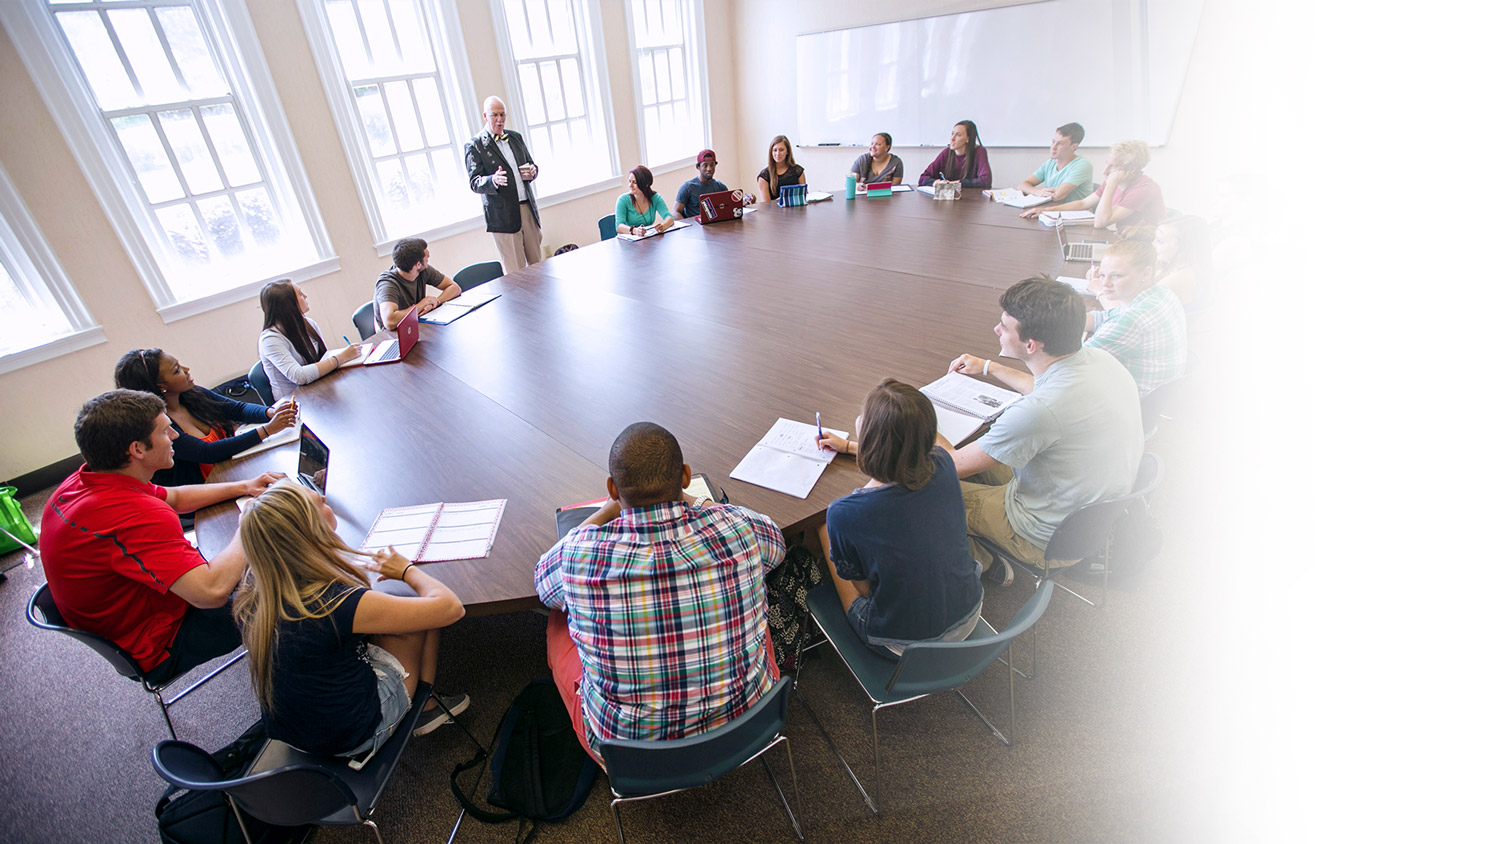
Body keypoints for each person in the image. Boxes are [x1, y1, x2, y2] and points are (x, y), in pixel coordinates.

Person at [535, 422, 786, 760]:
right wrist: (697, 502)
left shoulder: (579, 553)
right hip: (749, 722)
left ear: (612, 487)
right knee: (753, 599)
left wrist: (610, 508)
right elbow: (776, 546)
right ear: (685, 476)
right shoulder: (739, 529)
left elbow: (543, 582)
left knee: (557, 618)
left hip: (630, 755)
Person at [39, 389, 282, 681]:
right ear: (137, 449)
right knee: (287, 579)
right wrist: (250, 521)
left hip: (120, 618)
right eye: (166, 431)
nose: (175, 436)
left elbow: (175, 498)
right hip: (158, 645)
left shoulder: (83, 482)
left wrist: (244, 487)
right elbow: (212, 592)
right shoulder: (133, 516)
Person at [234, 481, 468, 755]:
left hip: (294, 732)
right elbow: (451, 608)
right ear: (311, 532)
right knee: (418, 615)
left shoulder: (254, 591)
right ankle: (425, 707)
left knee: (381, 621)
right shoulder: (334, 603)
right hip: (351, 734)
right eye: (319, 503)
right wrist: (407, 570)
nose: (323, 496)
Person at [942, 278, 1143, 581]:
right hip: (1085, 518)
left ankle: (982, 561)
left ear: (1031, 345)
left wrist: (923, 418)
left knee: (924, 492)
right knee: (985, 455)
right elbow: (1046, 390)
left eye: (1004, 327)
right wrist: (989, 367)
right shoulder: (1101, 361)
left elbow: (949, 466)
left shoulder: (1039, 412)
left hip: (1041, 535)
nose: (997, 330)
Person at [811, 379, 983, 658]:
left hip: (905, 646)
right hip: (970, 612)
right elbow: (910, 450)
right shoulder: (943, 463)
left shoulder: (844, 512)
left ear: (869, 435)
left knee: (821, 527)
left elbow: (866, 590)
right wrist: (850, 447)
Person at [114, 348, 297, 488]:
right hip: (209, 492)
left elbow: (237, 409)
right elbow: (207, 452)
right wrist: (268, 429)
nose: (186, 369)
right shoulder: (159, 425)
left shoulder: (192, 394)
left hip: (237, 469)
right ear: (161, 386)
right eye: (177, 370)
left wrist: (269, 413)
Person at [1079, 240, 1187, 395]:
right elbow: (1106, 317)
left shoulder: (1131, 320)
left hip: (1129, 403)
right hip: (1159, 400)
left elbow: (1070, 367)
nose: (1105, 283)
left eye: (1116, 276)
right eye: (1102, 275)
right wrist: (1060, 322)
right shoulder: (1162, 293)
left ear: (1146, 274)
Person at [465, 96, 542, 276]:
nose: (499, 119)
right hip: (503, 216)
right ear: (485, 116)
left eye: (502, 115)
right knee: (517, 273)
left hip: (527, 208)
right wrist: (493, 180)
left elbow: (531, 164)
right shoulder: (475, 145)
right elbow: (475, 182)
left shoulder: (515, 137)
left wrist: (532, 170)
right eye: (494, 115)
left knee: (538, 266)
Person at [1021, 139, 1164, 229]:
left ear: (1130, 170)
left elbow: (1101, 222)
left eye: (1113, 166)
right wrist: (1046, 211)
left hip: (1141, 247)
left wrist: (1110, 185)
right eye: (1107, 163)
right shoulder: (1114, 181)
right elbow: (1083, 203)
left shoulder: (1144, 189)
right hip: (1123, 239)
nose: (1105, 171)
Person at [257, 279, 362, 401]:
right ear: (288, 304)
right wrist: (342, 357)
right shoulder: (270, 340)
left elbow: (322, 360)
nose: (305, 296)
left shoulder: (308, 324)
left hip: (318, 390)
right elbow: (299, 376)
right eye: (300, 294)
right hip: (293, 404)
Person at [374, 237, 460, 331]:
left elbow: (454, 287)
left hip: (416, 324)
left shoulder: (423, 270)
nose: (429, 257)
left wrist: (434, 303)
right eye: (426, 256)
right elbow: (389, 321)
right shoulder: (388, 284)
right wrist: (421, 305)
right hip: (394, 334)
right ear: (418, 264)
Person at [1017, 122, 1093, 205]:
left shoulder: (1083, 165)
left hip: (1073, 215)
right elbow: (1022, 186)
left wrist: (1032, 190)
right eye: (1053, 142)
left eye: (1060, 144)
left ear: (1073, 146)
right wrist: (1037, 192)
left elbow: (1057, 196)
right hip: (1052, 211)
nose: (1053, 147)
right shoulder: (1050, 163)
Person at [1152, 215, 1213, 307]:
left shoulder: (1177, 280)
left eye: (1160, 241)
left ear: (1183, 248)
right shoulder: (1173, 267)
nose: (1153, 244)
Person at [918, 120, 992, 189]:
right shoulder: (947, 152)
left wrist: (957, 184)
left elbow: (985, 181)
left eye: (958, 135)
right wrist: (935, 183)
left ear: (968, 139)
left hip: (972, 200)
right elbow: (923, 178)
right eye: (952, 134)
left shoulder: (979, 152)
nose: (952, 139)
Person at [615, 166, 673, 237]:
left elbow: (669, 217)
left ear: (646, 184)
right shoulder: (623, 200)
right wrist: (634, 230)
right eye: (629, 181)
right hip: (628, 242)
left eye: (635, 182)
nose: (630, 185)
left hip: (647, 239)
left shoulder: (655, 198)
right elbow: (619, 226)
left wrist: (663, 226)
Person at [674, 149, 729, 219]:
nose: (709, 169)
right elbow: (675, 212)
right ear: (698, 167)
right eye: (705, 165)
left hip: (717, 226)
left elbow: (729, 207)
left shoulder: (721, 187)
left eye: (712, 165)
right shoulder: (687, 187)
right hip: (695, 227)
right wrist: (688, 228)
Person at [756, 135, 806, 203]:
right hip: (775, 213)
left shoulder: (798, 171)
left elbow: (804, 197)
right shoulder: (764, 176)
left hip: (798, 212)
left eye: (781, 150)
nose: (778, 153)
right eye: (775, 150)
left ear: (787, 151)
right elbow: (766, 206)